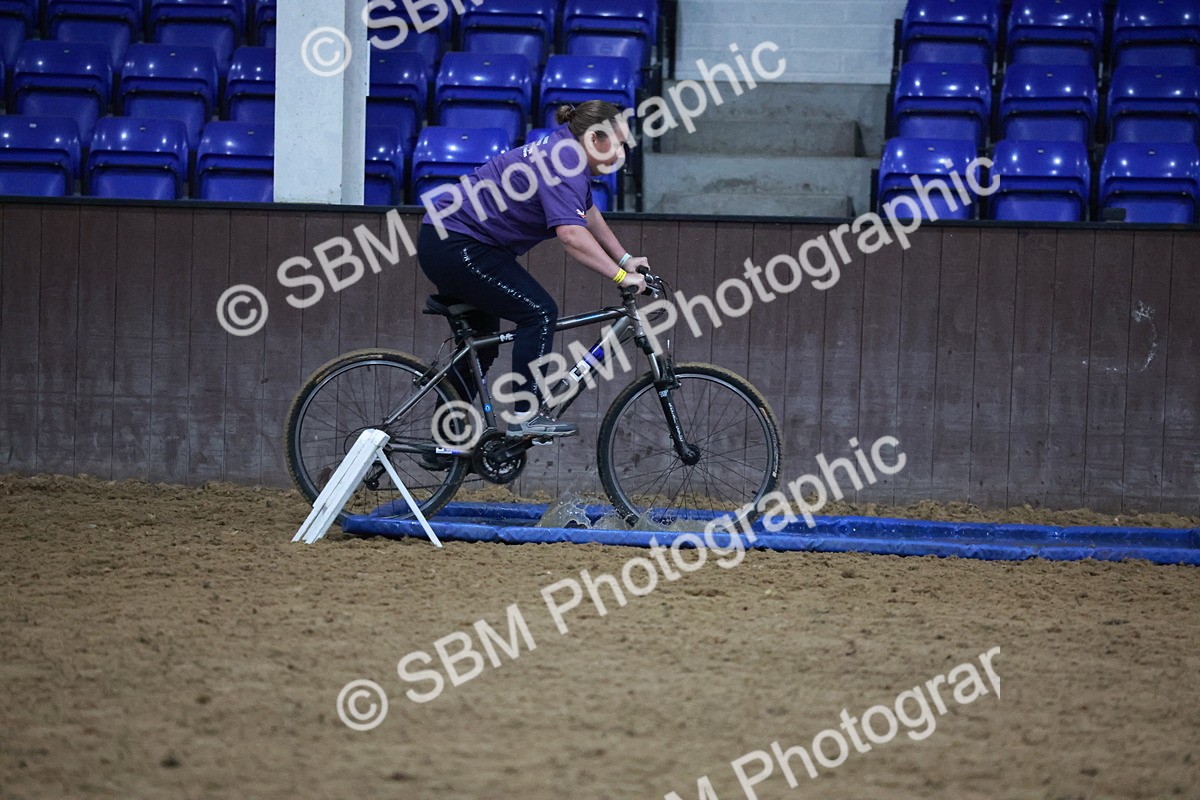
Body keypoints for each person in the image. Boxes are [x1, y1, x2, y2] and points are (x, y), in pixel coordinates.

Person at [417, 100, 648, 438]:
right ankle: (526, 415)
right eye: (618, 143)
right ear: (596, 138)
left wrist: (625, 259)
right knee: (539, 313)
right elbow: (571, 235)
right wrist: (619, 276)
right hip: (456, 244)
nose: (621, 154)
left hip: (455, 242)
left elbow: (587, 213)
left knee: (483, 346)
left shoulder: (567, 148)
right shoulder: (565, 159)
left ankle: (445, 445)